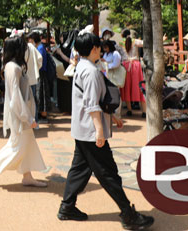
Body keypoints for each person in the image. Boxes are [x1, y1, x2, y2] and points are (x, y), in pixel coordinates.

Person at [57, 33, 153, 229]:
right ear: (93, 48)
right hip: (91, 131)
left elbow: (92, 101)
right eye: (98, 47)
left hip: (83, 129)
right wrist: (100, 131)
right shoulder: (91, 71)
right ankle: (128, 215)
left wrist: (112, 117)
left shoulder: (82, 67)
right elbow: (92, 104)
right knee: (108, 173)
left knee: (79, 170)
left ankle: (67, 207)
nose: (101, 49)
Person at [0, 36, 47, 187]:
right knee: (17, 147)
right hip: (19, 113)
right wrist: (28, 118)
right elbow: (15, 97)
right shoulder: (13, 67)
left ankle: (27, 175)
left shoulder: (14, 66)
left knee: (26, 143)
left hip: (21, 111)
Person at [121, 30, 146, 118]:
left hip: (126, 65)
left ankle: (129, 110)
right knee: (139, 86)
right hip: (135, 65)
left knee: (127, 87)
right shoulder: (135, 41)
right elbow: (146, 43)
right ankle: (144, 112)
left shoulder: (121, 42)